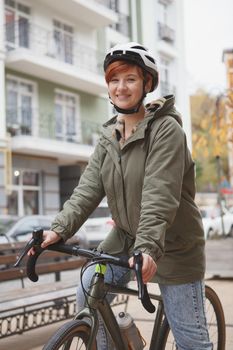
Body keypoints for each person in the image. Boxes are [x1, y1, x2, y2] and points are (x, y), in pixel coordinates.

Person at [29, 42, 212, 349]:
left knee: (191, 341)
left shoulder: (166, 131)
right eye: (114, 80)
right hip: (125, 241)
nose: (121, 87)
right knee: (90, 286)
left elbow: (160, 193)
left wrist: (148, 247)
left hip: (172, 245)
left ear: (147, 84)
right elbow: (87, 188)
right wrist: (58, 229)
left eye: (130, 79)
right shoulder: (109, 136)